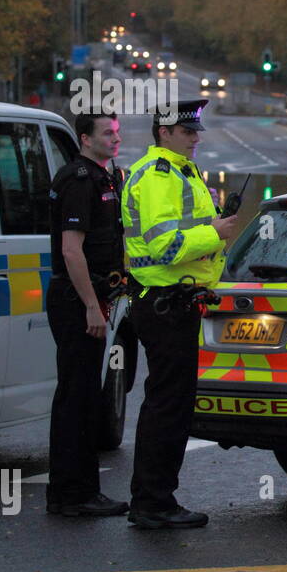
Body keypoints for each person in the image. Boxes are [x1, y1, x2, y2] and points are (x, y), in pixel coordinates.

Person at [121, 99, 239, 528]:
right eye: (187, 132)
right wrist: (217, 232)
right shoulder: (158, 176)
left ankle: (156, 498)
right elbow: (165, 247)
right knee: (167, 405)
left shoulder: (183, 172)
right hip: (163, 303)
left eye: (196, 131)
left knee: (171, 403)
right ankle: (152, 502)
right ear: (163, 133)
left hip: (178, 302)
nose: (196, 138)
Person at [44, 112, 128, 517]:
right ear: (84, 138)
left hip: (88, 296)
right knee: (77, 398)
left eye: (117, 131)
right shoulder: (80, 180)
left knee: (79, 395)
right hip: (77, 300)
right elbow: (70, 250)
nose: (115, 138)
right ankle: (74, 494)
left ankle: (71, 491)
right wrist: (93, 306)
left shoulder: (103, 177)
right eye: (107, 133)